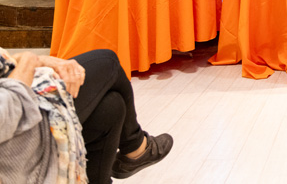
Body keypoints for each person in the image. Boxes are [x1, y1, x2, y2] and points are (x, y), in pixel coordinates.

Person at [0, 47, 172, 183]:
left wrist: (36, 61)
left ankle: (133, 150)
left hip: (19, 116)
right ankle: (135, 147)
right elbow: (10, 109)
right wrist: (31, 60)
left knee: (111, 108)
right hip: (18, 137)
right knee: (107, 62)